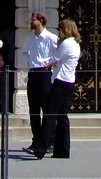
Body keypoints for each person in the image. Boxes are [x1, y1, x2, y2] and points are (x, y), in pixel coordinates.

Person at [28, 18, 82, 160]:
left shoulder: (67, 43)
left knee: (49, 114)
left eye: (60, 30)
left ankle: (40, 148)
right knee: (62, 116)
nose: (59, 33)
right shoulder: (75, 43)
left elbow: (53, 60)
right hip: (68, 81)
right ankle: (62, 150)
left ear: (66, 30)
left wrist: (41, 63)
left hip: (60, 81)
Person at [21, 11, 58, 150]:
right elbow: (24, 52)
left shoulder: (50, 37)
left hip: (45, 74)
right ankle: (36, 140)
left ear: (40, 21)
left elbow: (59, 52)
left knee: (46, 107)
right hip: (33, 73)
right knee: (34, 109)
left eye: (33, 19)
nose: (30, 22)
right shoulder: (30, 39)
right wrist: (31, 61)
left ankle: (50, 140)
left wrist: (50, 62)